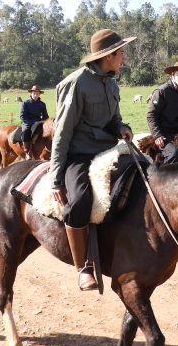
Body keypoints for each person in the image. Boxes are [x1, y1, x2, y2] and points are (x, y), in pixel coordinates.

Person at [50, 29, 136, 291]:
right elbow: (62, 132)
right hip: (80, 154)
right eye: (121, 53)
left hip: (108, 150)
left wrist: (120, 127)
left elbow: (112, 119)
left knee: (145, 176)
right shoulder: (76, 84)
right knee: (79, 201)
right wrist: (56, 179)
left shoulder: (112, 83)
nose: (124, 58)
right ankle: (83, 267)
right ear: (108, 56)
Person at [146, 62, 178, 164]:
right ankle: (166, 177)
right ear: (172, 74)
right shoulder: (161, 92)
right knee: (173, 153)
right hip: (166, 132)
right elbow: (151, 115)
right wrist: (157, 135)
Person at [19, 85, 49, 160]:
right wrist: (31, 123)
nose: (36, 95)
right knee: (25, 131)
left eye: (37, 93)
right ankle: (27, 152)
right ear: (31, 93)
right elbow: (22, 116)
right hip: (28, 122)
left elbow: (46, 116)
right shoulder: (25, 103)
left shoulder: (42, 104)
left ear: (39, 94)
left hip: (39, 122)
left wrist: (42, 121)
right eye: (34, 93)